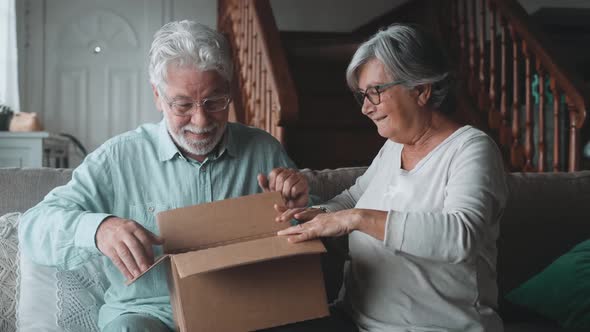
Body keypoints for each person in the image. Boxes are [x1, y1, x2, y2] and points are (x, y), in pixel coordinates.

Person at [18, 20, 309, 332]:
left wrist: (302, 207)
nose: (201, 120)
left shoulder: (263, 150)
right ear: (158, 96)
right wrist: (99, 228)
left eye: (214, 102)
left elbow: (315, 232)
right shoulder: (118, 157)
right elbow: (34, 226)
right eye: (183, 105)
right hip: (149, 316)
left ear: (230, 92)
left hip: (246, 313)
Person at [274, 24, 507, 332]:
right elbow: (353, 198)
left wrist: (356, 219)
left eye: (376, 92)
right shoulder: (393, 147)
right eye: (362, 96)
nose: (366, 108)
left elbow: (461, 236)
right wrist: (315, 213)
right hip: (353, 318)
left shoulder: (471, 149)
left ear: (421, 90)